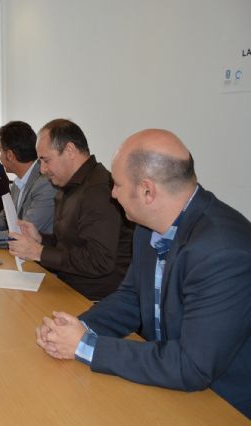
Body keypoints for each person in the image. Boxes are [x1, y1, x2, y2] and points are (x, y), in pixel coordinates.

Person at [35, 129, 251, 418]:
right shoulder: (149, 226)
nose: (112, 194)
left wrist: (86, 346)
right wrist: (78, 328)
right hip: (166, 380)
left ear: (148, 191)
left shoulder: (222, 252)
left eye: (117, 185)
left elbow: (192, 366)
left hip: (222, 404)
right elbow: (132, 298)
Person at [8, 119, 133, 301]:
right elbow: (70, 245)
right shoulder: (70, 186)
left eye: (46, 160)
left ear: (70, 150)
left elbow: (99, 261)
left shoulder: (97, 191)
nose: (42, 170)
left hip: (94, 300)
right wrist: (40, 239)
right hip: (68, 288)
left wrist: (39, 252)